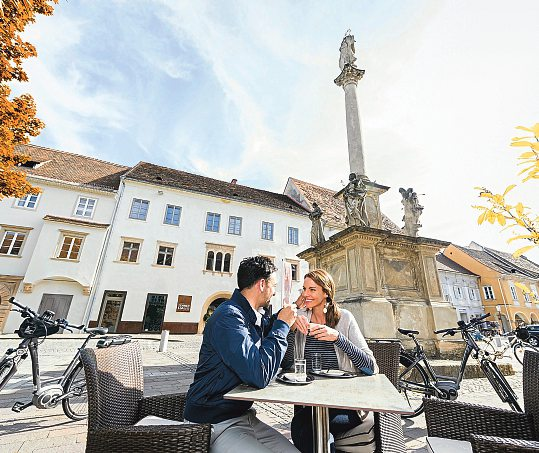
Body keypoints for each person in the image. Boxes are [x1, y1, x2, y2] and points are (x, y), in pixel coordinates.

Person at [184, 256, 299, 453]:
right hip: (213, 424)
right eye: (274, 285)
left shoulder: (249, 315)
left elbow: (275, 345)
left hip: (243, 416)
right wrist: (282, 325)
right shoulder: (229, 317)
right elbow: (259, 374)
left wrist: (284, 320)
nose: (275, 291)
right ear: (262, 284)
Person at [282, 269, 378, 453]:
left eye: (312, 290)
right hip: (311, 401)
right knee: (302, 426)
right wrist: (291, 331)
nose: (305, 294)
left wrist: (338, 338)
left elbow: (370, 367)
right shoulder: (302, 319)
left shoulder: (344, 318)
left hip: (345, 403)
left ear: (326, 292)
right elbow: (287, 365)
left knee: (306, 428)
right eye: (304, 289)